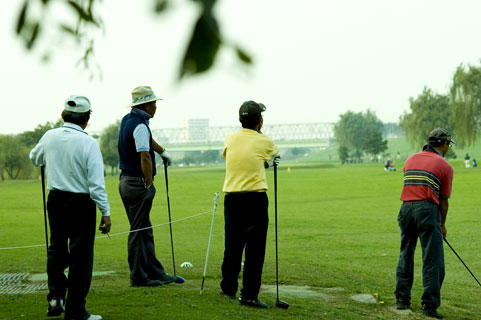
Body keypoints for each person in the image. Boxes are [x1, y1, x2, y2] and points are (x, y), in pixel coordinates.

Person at [29, 95, 111, 320]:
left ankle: (56, 297)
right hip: (81, 203)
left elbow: (35, 158)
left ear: (63, 114)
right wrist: (106, 212)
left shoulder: (50, 136)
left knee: (56, 249)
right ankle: (76, 311)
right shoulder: (89, 143)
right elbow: (96, 184)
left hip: (55, 199)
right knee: (81, 257)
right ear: (86, 119)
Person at [118, 85, 182, 287]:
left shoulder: (130, 120)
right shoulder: (139, 125)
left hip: (127, 181)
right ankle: (138, 277)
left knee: (145, 230)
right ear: (146, 105)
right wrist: (149, 181)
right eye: (154, 103)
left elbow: (147, 140)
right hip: (137, 184)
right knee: (138, 232)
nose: (156, 106)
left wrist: (163, 151)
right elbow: (144, 156)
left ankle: (156, 273)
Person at [220, 100, 280, 308]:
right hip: (254, 198)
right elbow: (273, 154)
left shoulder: (230, 138)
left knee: (233, 246)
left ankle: (228, 287)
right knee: (254, 249)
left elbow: (232, 155)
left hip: (232, 198)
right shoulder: (264, 140)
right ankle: (248, 295)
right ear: (260, 121)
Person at [394, 128, 454, 319]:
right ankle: (429, 305)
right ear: (444, 144)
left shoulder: (410, 159)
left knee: (406, 253)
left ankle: (402, 300)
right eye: (449, 145)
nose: (449, 148)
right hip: (427, 210)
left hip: (405, 208)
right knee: (432, 259)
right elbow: (443, 201)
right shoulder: (445, 166)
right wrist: (442, 225)